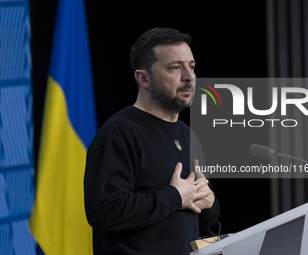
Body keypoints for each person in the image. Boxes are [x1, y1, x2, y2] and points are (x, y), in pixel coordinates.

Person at [84, 27, 220, 255]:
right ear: (143, 78)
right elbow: (105, 212)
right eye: (175, 68)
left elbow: (198, 219)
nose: (189, 77)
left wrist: (210, 203)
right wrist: (175, 197)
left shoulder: (188, 135)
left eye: (192, 66)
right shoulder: (119, 133)